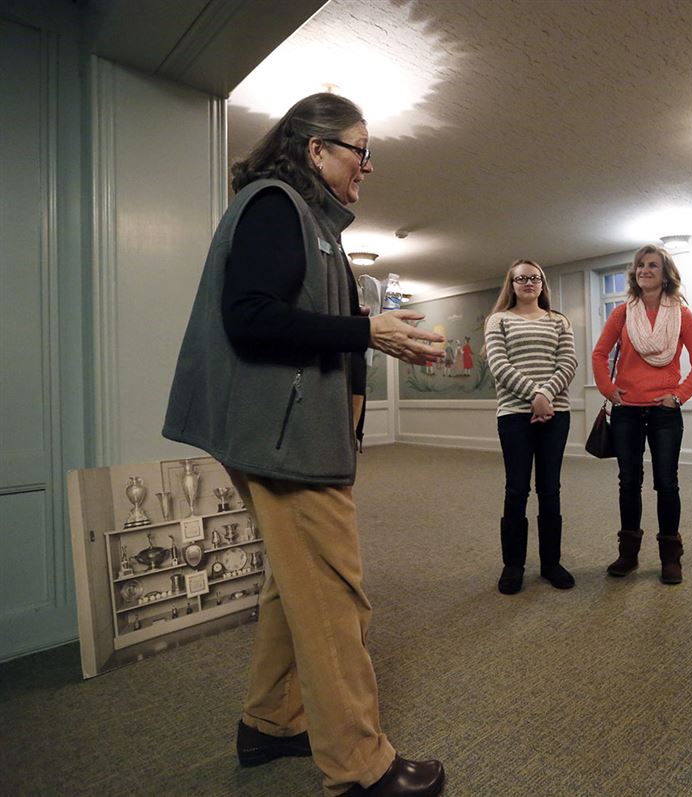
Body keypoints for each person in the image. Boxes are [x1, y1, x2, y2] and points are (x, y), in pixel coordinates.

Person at [163, 93, 446, 797]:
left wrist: (371, 331)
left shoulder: (309, 221)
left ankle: (270, 720)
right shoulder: (275, 204)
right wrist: (366, 331)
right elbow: (251, 317)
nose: (367, 165)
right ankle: (359, 767)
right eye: (360, 148)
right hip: (284, 438)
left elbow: (304, 322)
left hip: (290, 431)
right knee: (332, 594)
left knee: (293, 586)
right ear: (317, 149)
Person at [591, 244, 692, 584]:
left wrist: (680, 396)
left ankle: (670, 557)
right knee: (628, 483)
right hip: (627, 410)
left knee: (667, 483)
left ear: (665, 273)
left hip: (664, 413)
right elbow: (600, 354)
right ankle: (628, 554)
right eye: (640, 265)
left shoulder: (682, 315)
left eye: (652, 265)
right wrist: (608, 390)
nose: (645, 270)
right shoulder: (622, 313)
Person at [483, 260, 578, 594]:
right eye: (521, 278)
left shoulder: (558, 321)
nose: (528, 282)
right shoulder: (499, 320)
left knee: (550, 489)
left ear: (542, 284)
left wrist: (545, 395)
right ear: (511, 283)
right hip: (514, 415)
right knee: (517, 489)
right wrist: (534, 394)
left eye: (534, 278)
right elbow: (499, 364)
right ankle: (513, 565)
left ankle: (551, 563)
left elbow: (568, 363)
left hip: (556, 414)